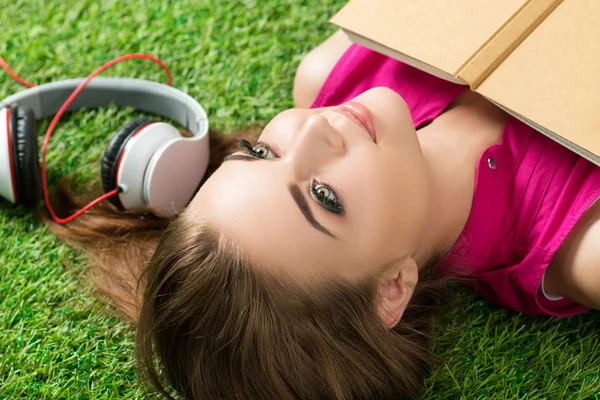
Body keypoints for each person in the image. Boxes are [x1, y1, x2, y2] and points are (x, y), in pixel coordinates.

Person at [50, 30, 600, 399]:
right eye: (323, 197)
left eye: (259, 152)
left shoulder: (333, 76)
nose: (312, 129)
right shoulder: (583, 244)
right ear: (391, 287)